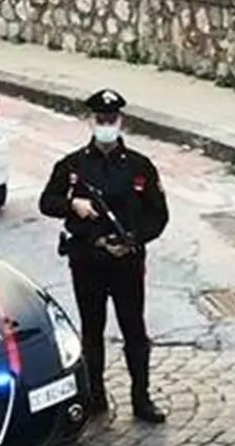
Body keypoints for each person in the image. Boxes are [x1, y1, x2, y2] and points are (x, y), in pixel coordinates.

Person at [37, 89, 169, 424]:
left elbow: (158, 215)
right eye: (100, 120)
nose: (106, 125)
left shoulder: (140, 167)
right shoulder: (73, 166)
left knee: (134, 331)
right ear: (91, 122)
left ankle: (142, 399)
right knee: (91, 330)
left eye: (111, 120)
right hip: (88, 261)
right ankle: (95, 395)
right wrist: (73, 205)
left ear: (120, 121)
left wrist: (135, 240)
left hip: (126, 263)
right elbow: (47, 202)